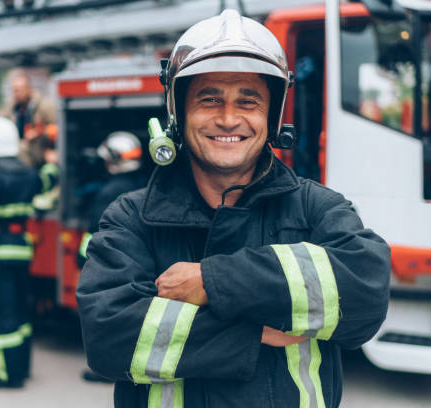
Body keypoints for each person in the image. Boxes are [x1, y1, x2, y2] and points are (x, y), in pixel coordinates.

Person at [75, 10, 391, 408]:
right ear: (179, 111)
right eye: (209, 100)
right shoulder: (131, 218)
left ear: (271, 115)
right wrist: (255, 332)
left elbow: (365, 294)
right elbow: (108, 338)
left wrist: (212, 281)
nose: (228, 118)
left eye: (248, 101)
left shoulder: (317, 208)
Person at [0, 117, 57, 389]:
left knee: (2, 316)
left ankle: (9, 376)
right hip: (20, 250)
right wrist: (51, 161)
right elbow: (50, 178)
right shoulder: (29, 174)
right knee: (20, 314)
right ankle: (22, 367)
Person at [77, 131, 147, 383]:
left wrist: (82, 260)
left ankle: (108, 371)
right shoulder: (145, 184)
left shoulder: (109, 191)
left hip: (110, 263)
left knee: (110, 317)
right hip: (140, 262)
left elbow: (95, 232)